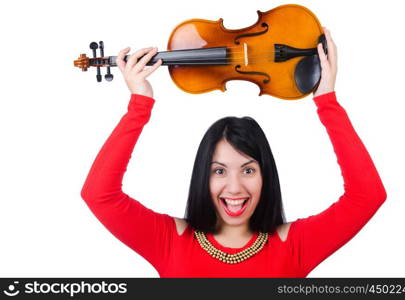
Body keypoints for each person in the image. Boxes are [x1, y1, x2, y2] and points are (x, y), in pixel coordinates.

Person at [80, 28, 386, 277]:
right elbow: (98, 194)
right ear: (203, 175)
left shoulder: (294, 246)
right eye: (219, 171)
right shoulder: (170, 241)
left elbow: (368, 196)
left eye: (249, 170)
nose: (235, 188)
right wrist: (139, 105)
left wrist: (328, 102)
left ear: (267, 176)